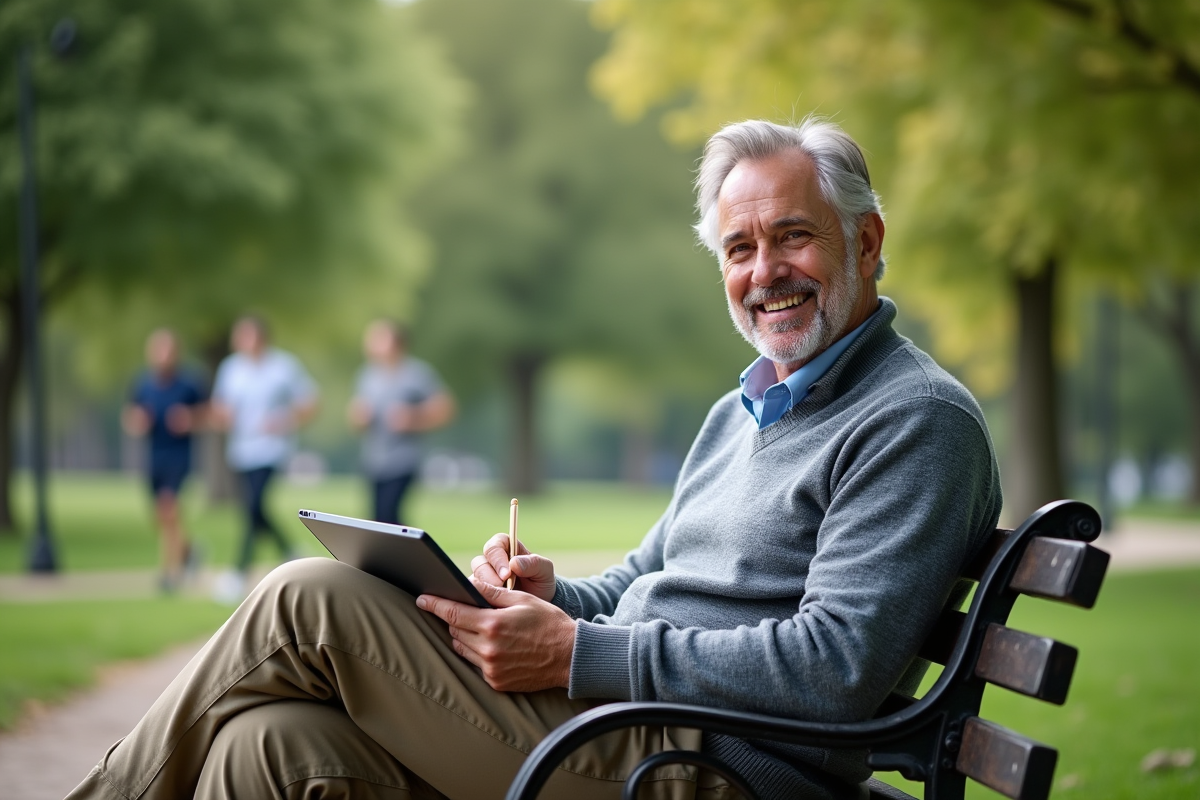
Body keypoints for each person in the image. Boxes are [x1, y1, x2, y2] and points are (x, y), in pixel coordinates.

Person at [66, 117, 1002, 800]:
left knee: (306, 599)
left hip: (710, 769)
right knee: (265, 749)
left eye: (793, 235)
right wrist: (553, 600)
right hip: (629, 732)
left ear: (866, 242)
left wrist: (579, 653)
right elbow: (647, 577)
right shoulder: (743, 409)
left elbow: (834, 671)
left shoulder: (915, 422)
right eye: (740, 247)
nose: (765, 273)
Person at [208, 315, 319, 602]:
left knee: (254, 505)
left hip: (272, 449)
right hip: (241, 450)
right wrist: (222, 416)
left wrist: (284, 421)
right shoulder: (231, 369)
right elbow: (221, 407)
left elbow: (309, 403)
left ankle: (237, 573)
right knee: (254, 509)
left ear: (261, 337)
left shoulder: (283, 366)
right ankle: (291, 553)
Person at [121, 329, 206, 592]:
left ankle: (170, 574)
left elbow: (210, 414)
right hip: (154, 457)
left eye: (168, 350)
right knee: (161, 517)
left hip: (179, 456)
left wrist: (189, 419)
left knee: (168, 509)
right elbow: (130, 417)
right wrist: (138, 422)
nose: (163, 356)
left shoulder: (189, 384)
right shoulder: (143, 384)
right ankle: (190, 551)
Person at [348, 320, 456, 525]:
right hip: (373, 460)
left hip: (403, 461)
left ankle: (406, 555)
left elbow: (445, 409)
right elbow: (355, 419)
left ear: (397, 342)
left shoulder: (417, 374)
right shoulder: (367, 375)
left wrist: (413, 417)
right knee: (378, 519)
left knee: (389, 515)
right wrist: (360, 417)